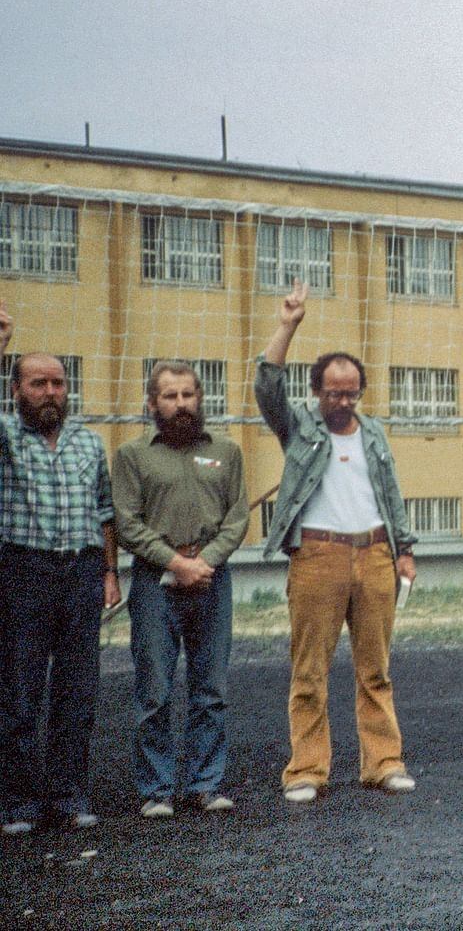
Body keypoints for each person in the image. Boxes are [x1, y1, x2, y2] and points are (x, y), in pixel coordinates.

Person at [255, 281, 419, 802]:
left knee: (376, 670)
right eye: (333, 392)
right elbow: (266, 387)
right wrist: (288, 325)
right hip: (317, 554)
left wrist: (405, 551)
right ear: (317, 391)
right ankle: (306, 769)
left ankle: (383, 763)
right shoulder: (298, 426)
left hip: (374, 555)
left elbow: (391, 494)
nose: (343, 401)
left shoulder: (373, 433)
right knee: (309, 670)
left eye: (351, 393)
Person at [112, 361, 250, 818]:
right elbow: (127, 524)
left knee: (210, 688)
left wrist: (203, 562)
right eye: (170, 396)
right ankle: (156, 789)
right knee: (155, 690)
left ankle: (204, 785)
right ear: (152, 404)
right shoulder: (133, 456)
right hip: (156, 580)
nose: (181, 404)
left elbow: (238, 518)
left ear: (200, 399)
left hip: (212, 579)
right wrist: (175, 563)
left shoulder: (226, 452)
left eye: (188, 395)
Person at [0, 303, 117, 833]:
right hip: (22, 573)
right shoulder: (7, 438)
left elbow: (105, 511)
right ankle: (19, 803)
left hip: (82, 575)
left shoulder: (88, 442)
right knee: (19, 692)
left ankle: (69, 797)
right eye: (39, 383)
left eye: (59, 383)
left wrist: (111, 571)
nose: (51, 392)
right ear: (17, 391)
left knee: (77, 691)